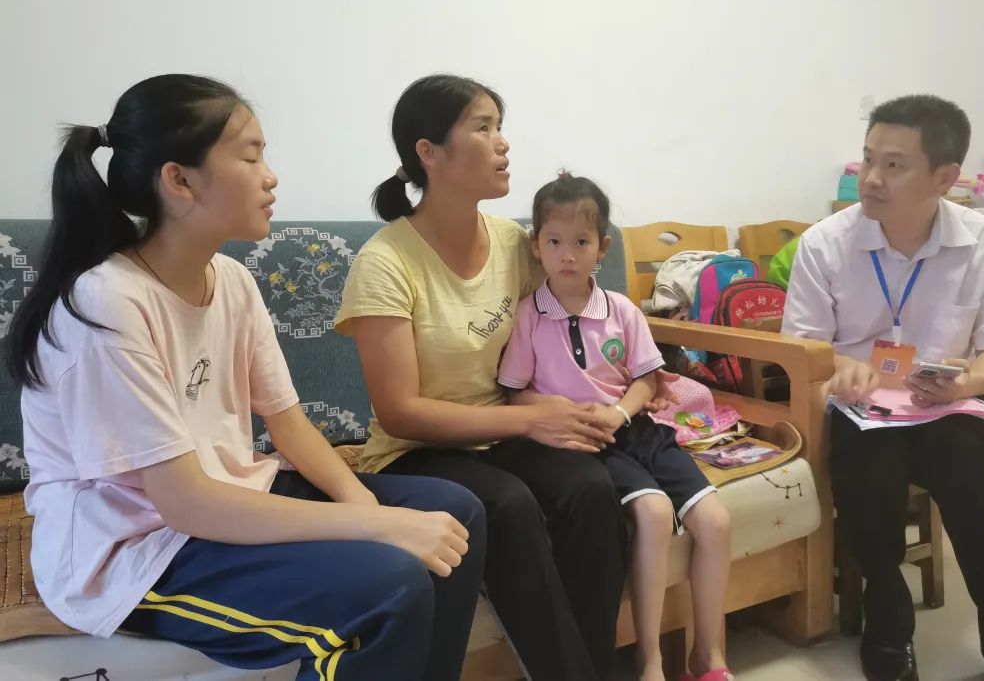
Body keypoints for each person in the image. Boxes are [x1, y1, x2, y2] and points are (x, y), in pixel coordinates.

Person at [5, 74, 485, 681]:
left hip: (228, 499)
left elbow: (288, 423)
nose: (270, 176)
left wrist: (365, 504)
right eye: (251, 155)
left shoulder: (231, 279)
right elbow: (184, 502)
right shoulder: (107, 302)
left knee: (458, 512)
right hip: (136, 551)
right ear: (179, 180)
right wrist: (377, 527)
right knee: (388, 585)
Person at [336, 74, 627, 681]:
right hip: (417, 450)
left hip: (502, 434)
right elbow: (399, 412)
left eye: (500, 126)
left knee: (591, 487)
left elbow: (569, 321)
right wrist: (530, 419)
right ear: (429, 152)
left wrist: (615, 395)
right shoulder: (385, 263)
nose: (503, 143)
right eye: (483, 127)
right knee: (508, 505)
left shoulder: (514, 243)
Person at [782, 95, 984, 681]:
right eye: (869, 158)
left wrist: (967, 382)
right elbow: (805, 348)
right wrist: (837, 367)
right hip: (862, 408)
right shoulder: (825, 243)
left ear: (944, 178)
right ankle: (888, 626)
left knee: (981, 489)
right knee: (869, 479)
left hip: (944, 406)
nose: (871, 178)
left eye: (894, 165)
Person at [498, 172, 735, 681]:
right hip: (588, 443)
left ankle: (708, 656)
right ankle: (649, 661)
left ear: (601, 247)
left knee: (716, 522)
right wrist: (562, 413)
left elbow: (648, 380)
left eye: (581, 242)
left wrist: (621, 411)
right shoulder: (529, 317)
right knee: (652, 513)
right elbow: (515, 392)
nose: (567, 254)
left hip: (636, 428)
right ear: (536, 246)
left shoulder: (622, 310)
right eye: (554, 242)